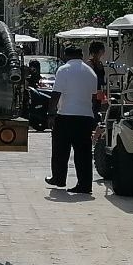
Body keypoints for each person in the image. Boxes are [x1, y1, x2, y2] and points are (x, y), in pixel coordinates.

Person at [46, 45, 98, 194]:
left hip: (66, 116)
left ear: (66, 55)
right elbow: (94, 98)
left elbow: (56, 94)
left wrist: (51, 114)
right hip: (85, 117)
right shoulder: (90, 72)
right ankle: (85, 185)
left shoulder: (64, 69)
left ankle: (58, 178)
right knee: (84, 152)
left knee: (60, 150)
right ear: (81, 55)